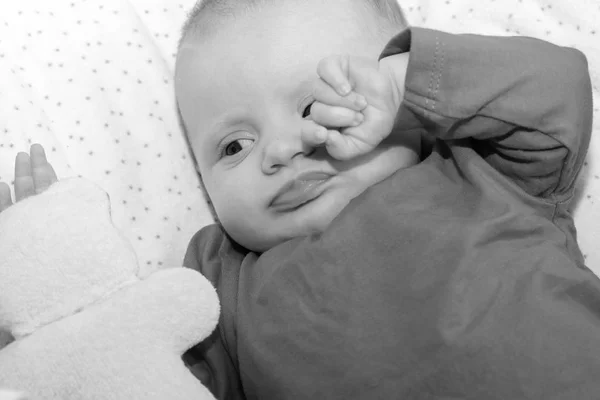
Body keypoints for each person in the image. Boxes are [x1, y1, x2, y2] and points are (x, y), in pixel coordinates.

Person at [176, 0, 600, 399]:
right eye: (234, 146)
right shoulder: (221, 282)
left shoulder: (481, 167)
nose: (281, 150)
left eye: (315, 107)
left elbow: (560, 86)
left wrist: (408, 88)